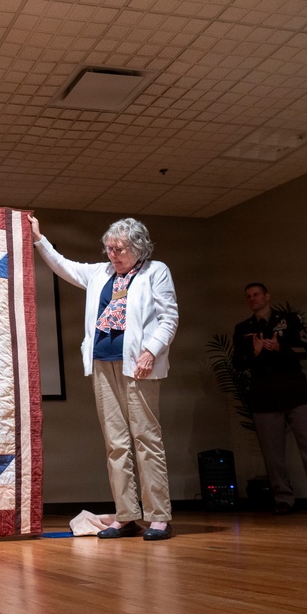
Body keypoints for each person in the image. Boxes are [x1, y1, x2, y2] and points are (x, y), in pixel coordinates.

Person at [30, 215, 179, 541]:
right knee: (116, 444)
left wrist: (151, 351)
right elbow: (64, 266)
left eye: (119, 249)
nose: (112, 254)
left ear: (138, 248)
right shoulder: (101, 273)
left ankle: (158, 517)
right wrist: (39, 239)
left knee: (146, 440)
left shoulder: (156, 271)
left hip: (139, 366)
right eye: (109, 248)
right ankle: (126, 515)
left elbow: (169, 318)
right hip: (102, 363)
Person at [232, 283, 307, 515]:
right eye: (248, 296)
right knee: (273, 453)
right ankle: (284, 499)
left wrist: (279, 348)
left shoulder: (289, 319)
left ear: (267, 296)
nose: (252, 299)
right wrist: (255, 353)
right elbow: (238, 362)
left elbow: (304, 349)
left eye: (256, 294)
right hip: (264, 396)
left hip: (295, 392)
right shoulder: (243, 328)